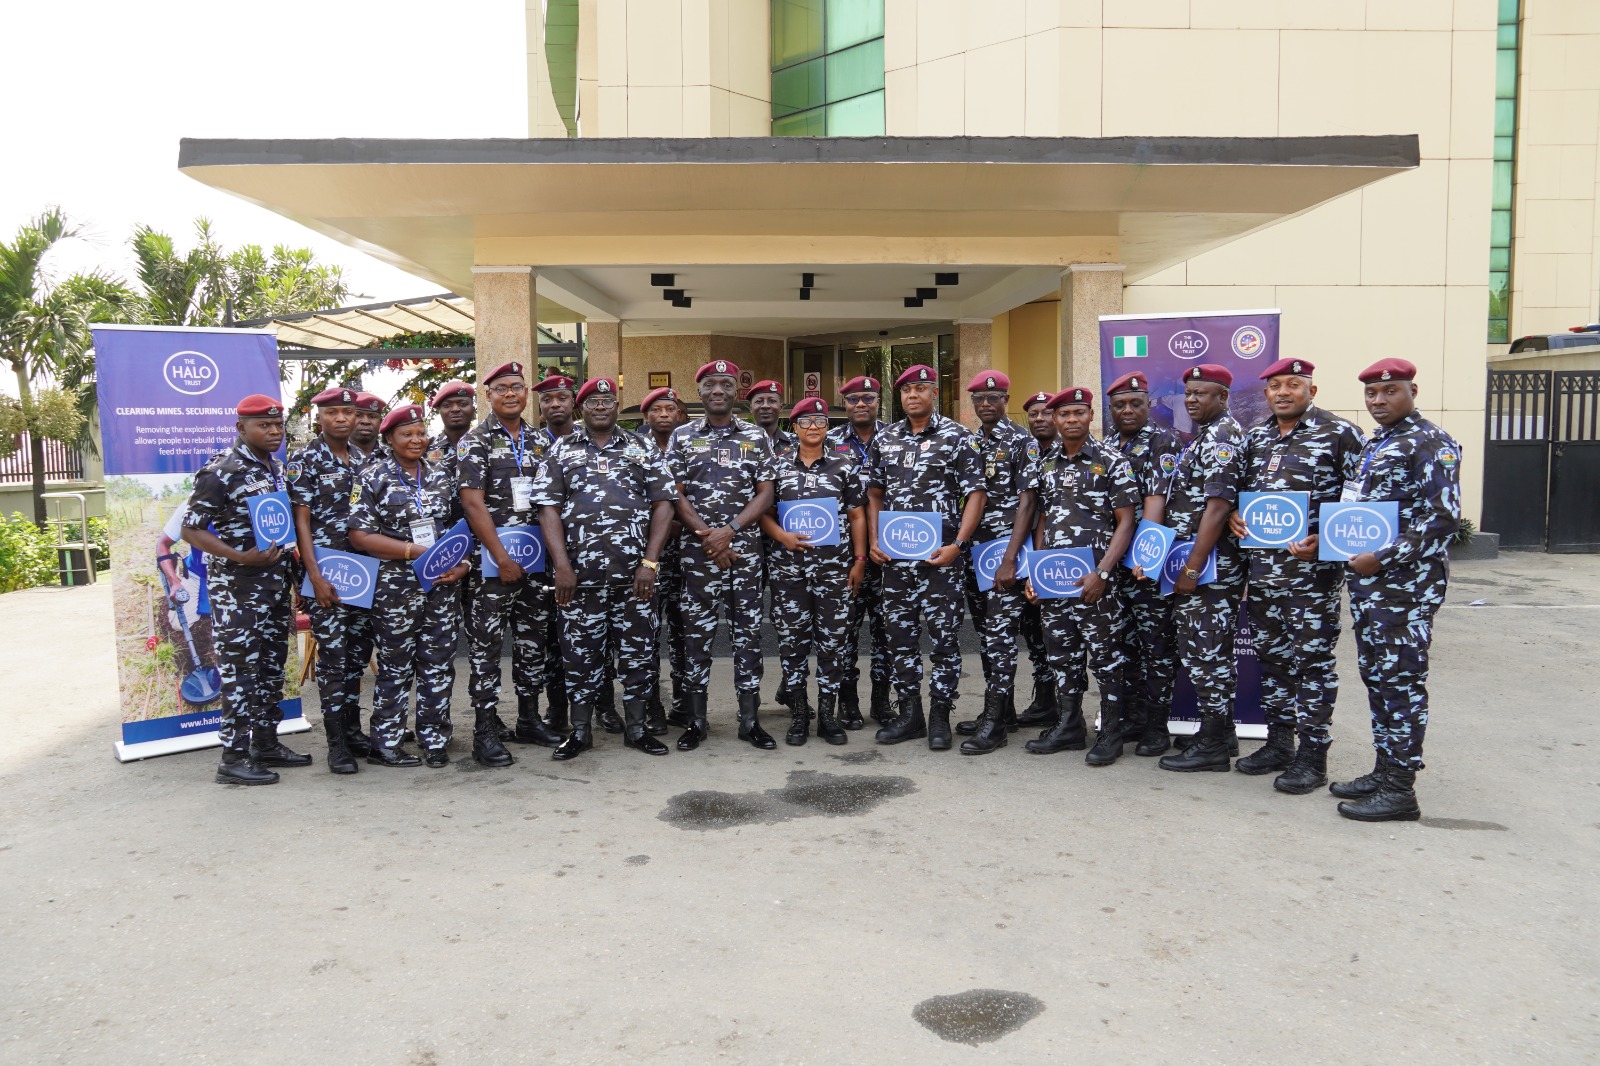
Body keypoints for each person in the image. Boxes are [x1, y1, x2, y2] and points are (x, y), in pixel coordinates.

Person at [1330, 358, 1461, 822]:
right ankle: (1386, 771)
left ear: (1413, 391)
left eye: (1391, 392)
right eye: (1372, 394)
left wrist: (1381, 558)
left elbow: (1442, 519)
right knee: (1380, 678)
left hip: (1405, 587)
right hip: (1371, 587)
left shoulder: (1431, 443)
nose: (1379, 401)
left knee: (1402, 682)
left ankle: (1401, 790)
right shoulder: (1377, 443)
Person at [1228, 358, 1365, 793]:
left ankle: (1312, 758)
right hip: (1264, 572)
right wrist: (1234, 515)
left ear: (1312, 390)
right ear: (1265, 394)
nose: (1283, 392)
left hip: (1312, 576)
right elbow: (1241, 495)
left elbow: (1362, 501)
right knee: (1272, 662)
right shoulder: (1257, 438)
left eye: (1293, 385)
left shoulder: (1340, 434)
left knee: (1313, 665)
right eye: (1275, 387)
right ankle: (1279, 743)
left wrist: (1324, 536)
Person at [536, 377, 677, 760]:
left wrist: (650, 562)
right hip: (578, 580)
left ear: (617, 407)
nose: (601, 407)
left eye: (608, 401)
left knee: (638, 654)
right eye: (593, 401)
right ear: (581, 409)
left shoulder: (642, 446)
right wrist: (562, 566)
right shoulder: (562, 448)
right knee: (579, 656)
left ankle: (636, 729)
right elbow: (547, 507)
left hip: (635, 578)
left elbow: (664, 503)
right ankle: (581, 732)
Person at [181, 394, 305, 785]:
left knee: (270, 668)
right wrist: (239, 556)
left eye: (277, 425)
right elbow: (191, 529)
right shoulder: (222, 470)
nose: (273, 431)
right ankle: (233, 758)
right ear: (241, 428)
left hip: (274, 587)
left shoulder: (277, 468)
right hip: (237, 589)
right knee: (240, 673)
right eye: (263, 425)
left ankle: (265, 743)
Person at [866, 364, 986, 750]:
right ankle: (911, 714)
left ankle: (939, 716)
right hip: (896, 559)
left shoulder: (957, 437)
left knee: (944, 638)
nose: (912, 395)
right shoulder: (886, 438)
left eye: (920, 389)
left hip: (940, 558)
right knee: (899, 637)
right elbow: (874, 493)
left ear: (934, 393)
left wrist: (959, 545)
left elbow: (976, 495)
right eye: (905, 391)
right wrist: (873, 540)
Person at [347, 404, 470, 767]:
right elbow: (359, 535)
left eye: (420, 433)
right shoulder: (373, 477)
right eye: (407, 434)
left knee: (439, 664)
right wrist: (415, 551)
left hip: (441, 586)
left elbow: (464, 526)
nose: (416, 440)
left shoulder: (441, 474)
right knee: (396, 665)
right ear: (389, 438)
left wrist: (461, 564)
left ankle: (435, 738)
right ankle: (385, 742)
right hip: (394, 589)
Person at [1023, 387, 1139, 763]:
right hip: (1054, 579)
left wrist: (1103, 572)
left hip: (1095, 580)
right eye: (1064, 414)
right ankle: (1070, 726)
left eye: (1079, 413)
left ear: (1091, 417)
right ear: (1054, 420)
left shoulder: (1111, 460)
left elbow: (1126, 522)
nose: (1071, 420)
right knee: (1062, 655)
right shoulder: (1046, 462)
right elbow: (1042, 518)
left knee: (1106, 658)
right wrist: (1036, 571)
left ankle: (1111, 734)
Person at [667, 358, 778, 750]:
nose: (718, 391)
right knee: (697, 637)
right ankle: (697, 722)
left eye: (726, 385)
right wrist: (707, 538)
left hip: (744, 553)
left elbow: (766, 492)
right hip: (698, 557)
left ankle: (750, 721)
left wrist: (728, 532)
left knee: (747, 637)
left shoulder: (756, 436)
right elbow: (674, 493)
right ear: (699, 392)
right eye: (711, 384)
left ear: (737, 392)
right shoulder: (682, 436)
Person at [457, 360, 560, 767]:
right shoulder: (475, 442)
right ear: (489, 395)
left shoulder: (539, 441)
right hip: (492, 566)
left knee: (533, 643)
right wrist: (501, 557)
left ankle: (529, 718)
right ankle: (485, 731)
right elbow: (471, 502)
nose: (511, 394)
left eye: (517, 386)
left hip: (535, 563)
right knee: (486, 648)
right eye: (502, 388)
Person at [759, 396, 868, 746]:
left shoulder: (844, 465)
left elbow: (856, 515)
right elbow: (762, 510)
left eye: (820, 422)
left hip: (834, 570)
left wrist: (860, 560)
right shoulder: (776, 466)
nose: (813, 428)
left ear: (827, 428)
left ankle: (826, 714)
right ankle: (799, 714)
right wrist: (780, 536)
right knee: (792, 643)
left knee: (833, 642)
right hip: (788, 570)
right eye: (805, 422)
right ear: (795, 427)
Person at [1158, 364, 1248, 773]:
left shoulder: (1222, 438)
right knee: (1207, 650)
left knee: (1205, 652)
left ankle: (1212, 746)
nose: (1192, 399)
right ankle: (1220, 732)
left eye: (1202, 393)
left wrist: (1192, 570)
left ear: (1223, 397)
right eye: (1189, 392)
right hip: (1202, 562)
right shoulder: (1205, 437)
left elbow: (1217, 508)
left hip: (1211, 568)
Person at [289, 386, 376, 774]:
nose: (342, 419)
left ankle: (354, 730)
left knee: (357, 653)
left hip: (365, 571)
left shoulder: (362, 457)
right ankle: (336, 744)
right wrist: (314, 576)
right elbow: (301, 521)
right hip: (328, 574)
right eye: (333, 413)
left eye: (348, 412)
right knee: (334, 660)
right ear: (318, 417)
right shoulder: (305, 459)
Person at [956, 371, 1038, 755]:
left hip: (1007, 554)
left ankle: (994, 725)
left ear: (1006, 399)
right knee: (989, 636)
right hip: (976, 552)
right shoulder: (969, 441)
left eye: (994, 397)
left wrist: (1010, 560)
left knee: (1003, 637)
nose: (986, 403)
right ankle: (1002, 712)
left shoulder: (1023, 442)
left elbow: (1028, 502)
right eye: (979, 398)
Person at [1106, 372, 1185, 756]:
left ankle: (1157, 725)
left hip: (1143, 565)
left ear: (1148, 404)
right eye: (1120, 405)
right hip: (1112, 563)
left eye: (1135, 403)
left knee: (1156, 645)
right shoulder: (1106, 444)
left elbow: (1157, 499)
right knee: (1126, 644)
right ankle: (1133, 717)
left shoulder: (1162, 440)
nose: (1127, 410)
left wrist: (1146, 555)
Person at [827, 375, 891, 729]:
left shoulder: (897, 438)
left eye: (868, 397)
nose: (861, 404)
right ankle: (847, 702)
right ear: (844, 403)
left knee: (887, 631)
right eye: (853, 399)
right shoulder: (829, 441)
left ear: (878, 401)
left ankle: (882, 701)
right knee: (845, 630)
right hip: (844, 555)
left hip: (891, 552)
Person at [638, 386, 687, 734]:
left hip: (687, 555)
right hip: (647, 557)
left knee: (684, 631)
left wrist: (679, 524)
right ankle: (652, 702)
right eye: (657, 409)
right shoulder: (634, 449)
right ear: (647, 417)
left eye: (670, 409)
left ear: (680, 414)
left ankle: (684, 702)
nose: (664, 414)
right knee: (647, 632)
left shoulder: (692, 445)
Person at [747, 379, 797, 453]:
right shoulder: (738, 441)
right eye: (759, 401)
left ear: (781, 407)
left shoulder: (796, 443)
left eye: (772, 401)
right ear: (751, 408)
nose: (765, 406)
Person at [351, 392, 386, 457]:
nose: (366, 421)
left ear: (380, 422)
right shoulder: (329, 454)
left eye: (372, 417)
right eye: (358, 415)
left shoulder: (396, 457)